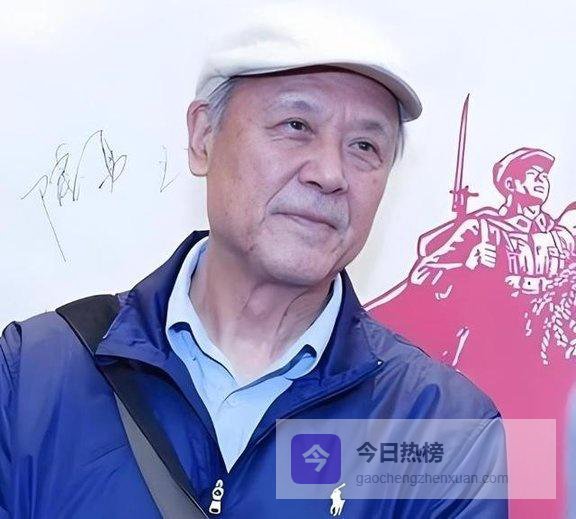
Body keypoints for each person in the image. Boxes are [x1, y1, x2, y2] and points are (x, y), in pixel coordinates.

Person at [0, 4, 507, 518]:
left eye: (364, 146)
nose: (329, 173)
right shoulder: (33, 374)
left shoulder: (442, 428)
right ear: (203, 137)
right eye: (296, 125)